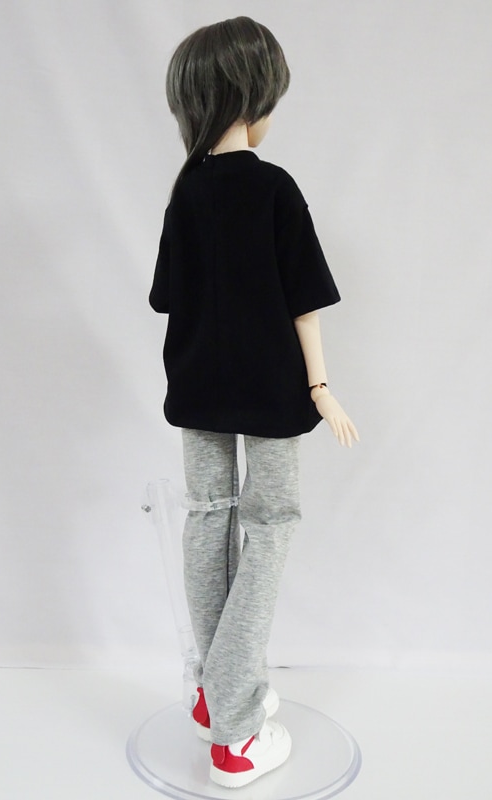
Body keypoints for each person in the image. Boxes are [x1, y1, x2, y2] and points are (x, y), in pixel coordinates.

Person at [149, 16, 359, 788]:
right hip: (271, 386)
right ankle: (235, 735)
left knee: (210, 520)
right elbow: (304, 304)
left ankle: (215, 696)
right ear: (253, 97)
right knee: (269, 527)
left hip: (197, 384)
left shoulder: (187, 191)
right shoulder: (273, 188)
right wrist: (320, 388)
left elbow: (168, 297)